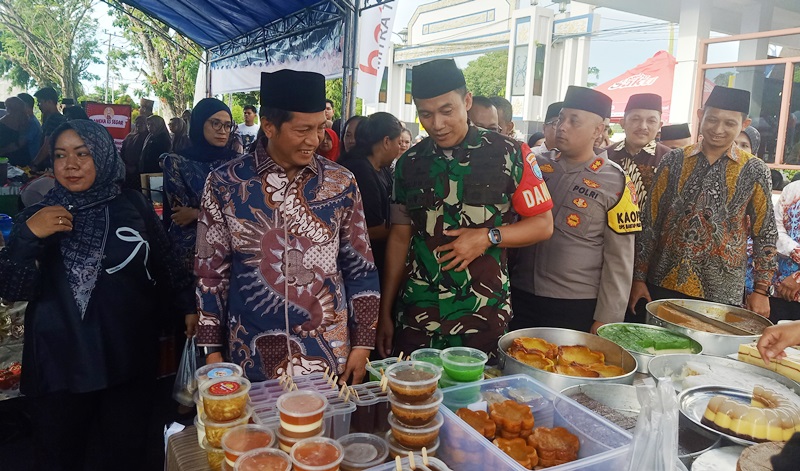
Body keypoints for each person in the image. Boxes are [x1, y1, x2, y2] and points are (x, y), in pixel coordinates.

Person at [0, 119, 196, 471]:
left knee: (128, 452)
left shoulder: (133, 205)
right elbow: (12, 289)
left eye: (82, 153)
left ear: (103, 155)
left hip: (127, 355)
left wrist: (187, 307)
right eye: (60, 155)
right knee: (60, 457)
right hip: (61, 362)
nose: (70, 165)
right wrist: (28, 236)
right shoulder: (38, 216)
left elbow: (166, 263)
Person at [195, 70, 380, 384]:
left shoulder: (341, 183)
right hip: (251, 358)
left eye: (320, 127)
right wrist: (212, 350)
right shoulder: (225, 184)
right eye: (302, 130)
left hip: (327, 358)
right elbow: (210, 272)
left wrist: (363, 344)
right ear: (269, 125)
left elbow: (361, 268)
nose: (315, 140)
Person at [376, 59, 554, 359]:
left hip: (482, 316)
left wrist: (488, 237)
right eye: (425, 114)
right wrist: (385, 312)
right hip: (418, 315)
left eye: (447, 111)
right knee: (414, 388)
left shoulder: (510, 154)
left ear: (467, 101)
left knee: (479, 389)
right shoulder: (409, 163)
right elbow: (399, 238)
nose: (437, 124)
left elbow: (543, 224)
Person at [630, 86, 777, 317]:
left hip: (721, 292)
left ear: (744, 124)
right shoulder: (673, 160)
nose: (718, 129)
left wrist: (761, 290)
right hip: (662, 282)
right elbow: (650, 222)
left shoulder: (754, 170)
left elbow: (765, 232)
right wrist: (638, 277)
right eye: (712, 119)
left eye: (729, 123)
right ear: (700, 115)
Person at [510, 86, 640, 334]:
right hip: (521, 295)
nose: (562, 127)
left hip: (575, 305)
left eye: (573, 121)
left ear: (598, 130)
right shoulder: (535, 166)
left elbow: (619, 259)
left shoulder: (616, 181)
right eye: (560, 119)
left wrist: (607, 319)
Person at [161, 98, 239, 271]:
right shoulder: (176, 162)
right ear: (199, 123)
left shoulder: (237, 162)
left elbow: (244, 211)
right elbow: (181, 215)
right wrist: (222, 214)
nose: (222, 131)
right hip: (190, 252)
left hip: (232, 250)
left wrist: (197, 213)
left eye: (227, 125)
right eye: (215, 123)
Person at [341, 112, 402, 276]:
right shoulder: (360, 171)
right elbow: (369, 229)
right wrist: (405, 227)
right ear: (387, 141)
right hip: (359, 266)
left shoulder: (383, 169)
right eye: (398, 142)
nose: (399, 148)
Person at [605, 93, 671, 221]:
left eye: (651, 121)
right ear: (622, 123)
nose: (643, 126)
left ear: (659, 125)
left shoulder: (671, 160)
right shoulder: (605, 156)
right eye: (635, 119)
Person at [31, 87, 67, 169]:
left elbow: (48, 144)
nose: (38, 105)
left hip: (50, 166)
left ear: (49, 102)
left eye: (40, 102)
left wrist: (34, 164)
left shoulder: (54, 119)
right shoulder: (57, 118)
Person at [120, 115, 149, 190]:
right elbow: (122, 151)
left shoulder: (149, 138)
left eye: (141, 123)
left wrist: (136, 167)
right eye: (137, 123)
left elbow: (147, 156)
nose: (139, 125)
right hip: (127, 170)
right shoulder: (129, 137)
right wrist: (125, 165)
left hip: (140, 172)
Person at [0, 96, 31, 166]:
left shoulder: (5, 120)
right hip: (23, 157)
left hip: (6, 158)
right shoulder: (26, 120)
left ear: (9, 108)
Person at [17, 93, 42, 166]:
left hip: (30, 163)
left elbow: (21, 143)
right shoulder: (28, 121)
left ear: (25, 105)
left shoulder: (32, 123)